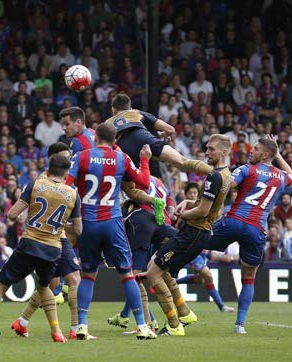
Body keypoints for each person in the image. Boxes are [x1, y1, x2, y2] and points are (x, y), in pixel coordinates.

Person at [0, 154, 82, 343]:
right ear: (67, 172)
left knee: (0, 287)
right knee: (44, 287)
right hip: (53, 248)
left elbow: (12, 215)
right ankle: (57, 333)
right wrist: (61, 225)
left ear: (49, 169)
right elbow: (78, 229)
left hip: (30, 244)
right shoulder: (73, 194)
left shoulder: (35, 185)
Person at [67, 123, 156, 340]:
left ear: (96, 136)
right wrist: (144, 159)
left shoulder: (81, 157)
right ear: (114, 138)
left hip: (87, 222)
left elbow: (68, 185)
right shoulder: (121, 159)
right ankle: (143, 326)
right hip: (112, 222)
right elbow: (143, 183)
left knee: (87, 274)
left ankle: (82, 326)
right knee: (126, 274)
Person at [145, 134, 233, 336]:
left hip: (194, 232)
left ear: (224, 152)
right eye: (207, 148)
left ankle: (174, 325)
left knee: (152, 273)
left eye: (211, 149)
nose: (207, 152)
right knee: (156, 267)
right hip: (197, 232)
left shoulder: (214, 176)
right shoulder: (226, 175)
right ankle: (184, 313)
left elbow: (203, 211)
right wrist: (188, 204)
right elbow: (210, 207)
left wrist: (181, 214)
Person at [206, 136, 292, 333]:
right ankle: (240, 325)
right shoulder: (281, 177)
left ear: (263, 154)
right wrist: (278, 154)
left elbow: (227, 184)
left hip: (235, 220)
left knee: (196, 240)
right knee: (248, 278)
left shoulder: (248, 169)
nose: (250, 151)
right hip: (256, 229)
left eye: (255, 149)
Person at [11, 142, 82, 339]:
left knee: (57, 283)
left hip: (53, 238)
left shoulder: (56, 181)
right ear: (53, 160)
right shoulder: (47, 182)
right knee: (62, 282)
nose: (68, 160)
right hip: (51, 239)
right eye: (64, 157)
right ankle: (75, 329)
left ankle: (23, 322)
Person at [107, 175, 176, 331]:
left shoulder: (123, 184)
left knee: (133, 277)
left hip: (139, 227)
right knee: (137, 276)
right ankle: (125, 316)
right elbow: (170, 203)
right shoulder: (158, 182)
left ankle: (149, 323)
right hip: (160, 226)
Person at [103, 93, 212, 175]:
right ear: (129, 108)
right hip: (143, 137)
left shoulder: (106, 124)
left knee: (133, 186)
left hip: (122, 147)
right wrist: (161, 135)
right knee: (182, 162)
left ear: (113, 110)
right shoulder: (135, 112)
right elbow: (170, 130)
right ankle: (216, 174)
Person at [174, 184, 235, 313]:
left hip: (202, 249)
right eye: (190, 193)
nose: (193, 195)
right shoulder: (184, 210)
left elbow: (216, 214)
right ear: (185, 195)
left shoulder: (204, 207)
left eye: (195, 193)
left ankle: (173, 282)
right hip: (192, 247)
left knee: (200, 279)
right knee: (208, 275)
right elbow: (177, 224)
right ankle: (222, 306)